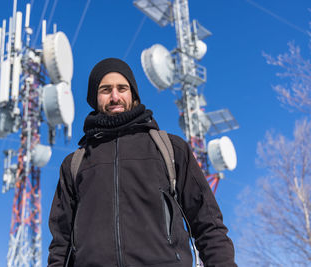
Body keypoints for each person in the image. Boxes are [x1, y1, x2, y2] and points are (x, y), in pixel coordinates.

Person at [48, 58, 237, 267]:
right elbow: (60, 244)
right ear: (95, 97)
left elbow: (208, 224)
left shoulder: (170, 148)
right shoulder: (75, 164)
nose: (114, 96)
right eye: (105, 90)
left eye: (122, 88)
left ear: (133, 95)